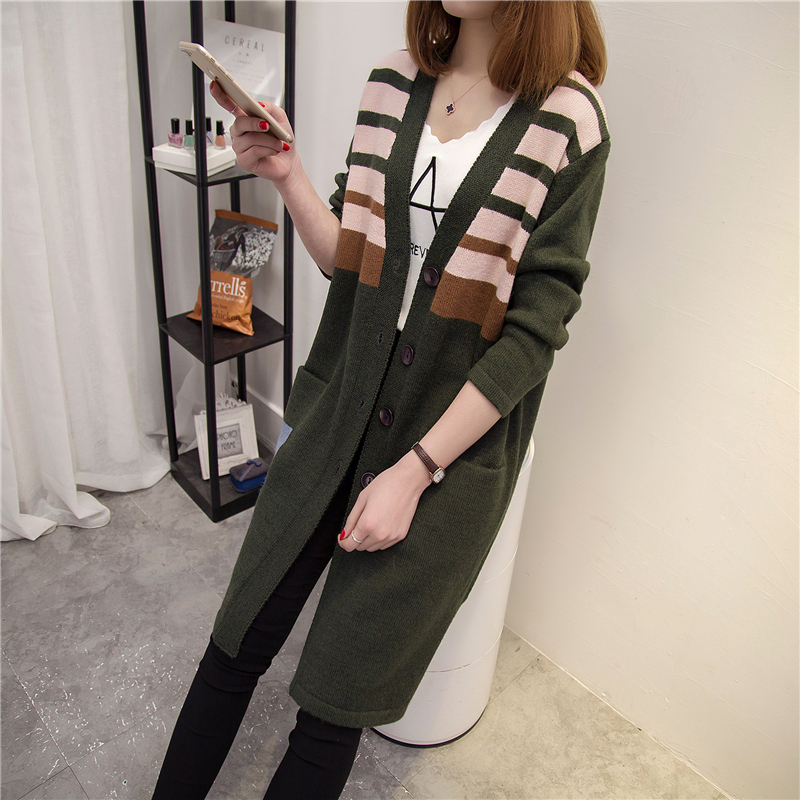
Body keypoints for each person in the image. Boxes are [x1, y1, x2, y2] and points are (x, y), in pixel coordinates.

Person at [152, 1, 609, 797]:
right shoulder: (392, 83)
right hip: (336, 413)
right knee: (234, 644)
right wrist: (286, 175)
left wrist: (416, 470)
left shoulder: (569, 122)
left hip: (444, 457)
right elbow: (351, 259)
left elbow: (534, 335)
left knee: (333, 707)